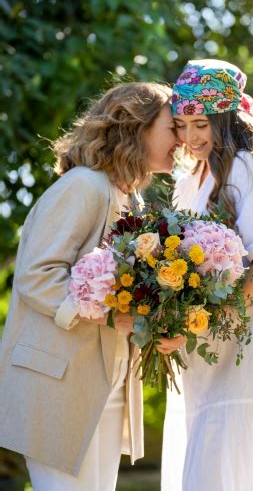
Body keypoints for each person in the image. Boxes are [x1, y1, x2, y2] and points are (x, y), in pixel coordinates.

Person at [0, 81, 180, 491]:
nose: (183, 138)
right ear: (137, 126)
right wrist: (113, 313)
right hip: (57, 384)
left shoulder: (129, 199)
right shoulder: (84, 184)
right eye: (173, 128)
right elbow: (36, 275)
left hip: (104, 386)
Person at [161, 59, 253, 491]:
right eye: (182, 125)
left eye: (201, 124)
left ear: (226, 118)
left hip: (249, 334)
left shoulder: (244, 166)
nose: (190, 138)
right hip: (211, 341)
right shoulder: (192, 176)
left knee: (231, 455)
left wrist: (201, 322)